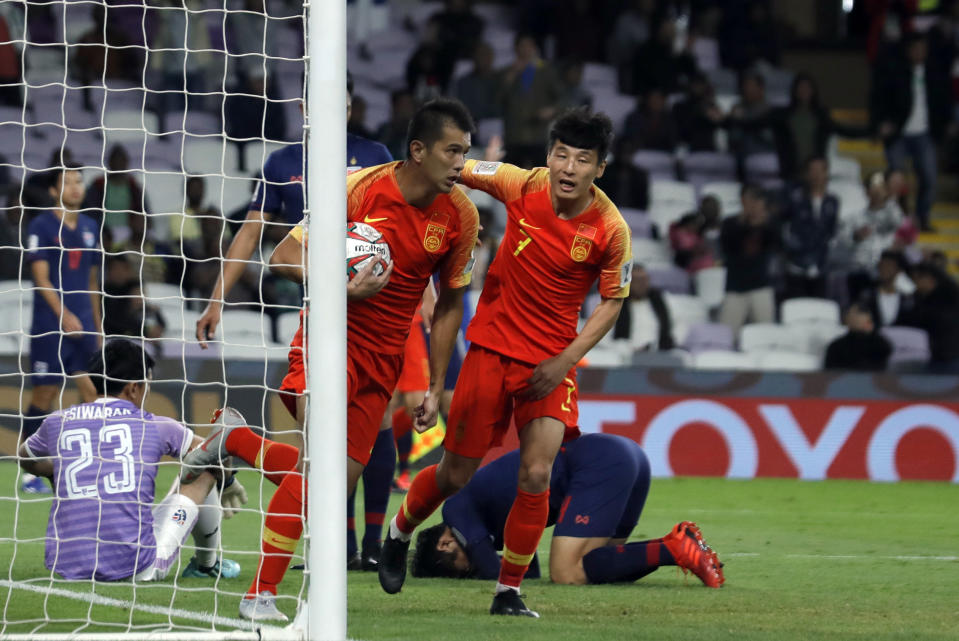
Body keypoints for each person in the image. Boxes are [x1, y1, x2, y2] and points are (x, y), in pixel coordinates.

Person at [188, 98, 480, 621]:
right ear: (418, 151)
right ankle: (260, 595)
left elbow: (451, 304)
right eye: (451, 151)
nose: (461, 164)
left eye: (466, 152)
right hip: (327, 340)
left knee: (329, 486)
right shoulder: (357, 189)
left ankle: (231, 440)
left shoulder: (460, 215)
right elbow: (282, 258)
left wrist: (436, 384)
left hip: (383, 362)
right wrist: (341, 284)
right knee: (317, 471)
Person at [379, 108, 632, 618]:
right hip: (491, 352)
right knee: (454, 475)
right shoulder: (521, 184)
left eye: (582, 159)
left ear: (598, 169)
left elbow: (612, 302)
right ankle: (399, 530)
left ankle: (509, 592)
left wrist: (565, 361)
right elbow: (454, 167)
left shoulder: (610, 229)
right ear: (548, 155)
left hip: (550, 367)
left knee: (537, 474)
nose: (568, 167)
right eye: (561, 154)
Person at [17, 339, 245, 581]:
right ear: (133, 388)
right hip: (137, 565)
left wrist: (56, 470)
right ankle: (206, 565)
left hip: (66, 565)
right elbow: (216, 450)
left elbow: (25, 457)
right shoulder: (156, 425)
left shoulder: (57, 421)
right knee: (203, 468)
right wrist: (228, 483)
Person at [411, 433, 724, 588]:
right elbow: (526, 571)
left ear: (446, 543)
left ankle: (676, 547)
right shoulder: (493, 519)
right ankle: (675, 546)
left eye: (461, 569)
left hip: (598, 463)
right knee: (595, 569)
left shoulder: (457, 509)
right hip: (621, 455)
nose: (472, 569)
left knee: (565, 572)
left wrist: (484, 570)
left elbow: (495, 573)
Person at [21, 162, 103, 493]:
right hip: (50, 326)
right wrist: (63, 314)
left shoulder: (90, 225)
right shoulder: (41, 225)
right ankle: (30, 467)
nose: (75, 187)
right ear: (55, 190)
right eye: (68, 182)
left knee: (93, 393)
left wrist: (97, 326)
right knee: (46, 393)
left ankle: (90, 466)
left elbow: (93, 280)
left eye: (79, 182)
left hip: (84, 325)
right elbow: (40, 277)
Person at [870, 32, 952, 231]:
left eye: (923, 49)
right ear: (908, 50)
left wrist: (944, 125)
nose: (919, 53)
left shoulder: (934, 73)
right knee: (896, 178)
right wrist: (881, 124)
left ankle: (922, 217)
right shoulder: (894, 71)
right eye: (915, 49)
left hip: (923, 133)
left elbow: (943, 102)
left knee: (929, 178)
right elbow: (879, 99)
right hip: (899, 133)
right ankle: (899, 220)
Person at [718, 184, 777, 333]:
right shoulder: (729, 223)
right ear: (743, 201)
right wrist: (745, 223)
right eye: (750, 201)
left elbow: (778, 245)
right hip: (735, 287)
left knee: (766, 333)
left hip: (760, 286)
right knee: (727, 334)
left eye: (757, 201)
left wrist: (763, 224)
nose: (754, 206)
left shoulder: (769, 225)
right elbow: (727, 247)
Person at [839, 172, 904, 301]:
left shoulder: (893, 214)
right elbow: (842, 243)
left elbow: (900, 226)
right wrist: (856, 237)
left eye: (881, 187)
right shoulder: (855, 217)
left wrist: (889, 199)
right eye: (873, 187)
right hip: (860, 273)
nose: (877, 191)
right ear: (866, 191)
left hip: (887, 275)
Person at [780, 156, 839, 300]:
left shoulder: (833, 202)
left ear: (827, 173)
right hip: (797, 265)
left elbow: (832, 232)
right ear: (806, 174)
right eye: (813, 170)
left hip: (821, 265)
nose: (817, 175)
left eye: (821, 170)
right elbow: (783, 227)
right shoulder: (794, 199)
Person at [823, 303, 892, 372]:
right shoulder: (836, 347)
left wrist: (870, 332)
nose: (858, 318)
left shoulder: (880, 345)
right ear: (847, 319)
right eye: (856, 314)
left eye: (862, 313)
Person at [863, 250, 914, 328]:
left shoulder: (907, 299)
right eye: (882, 265)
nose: (884, 269)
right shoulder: (867, 295)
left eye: (889, 265)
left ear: (899, 270)